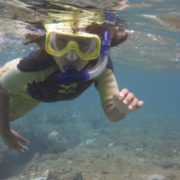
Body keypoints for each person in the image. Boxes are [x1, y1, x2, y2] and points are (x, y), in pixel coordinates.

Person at [0, 7, 144, 152]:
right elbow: (2, 89)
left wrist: (121, 109)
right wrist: (6, 133)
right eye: (61, 42)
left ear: (99, 48)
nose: (71, 55)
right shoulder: (33, 67)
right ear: (49, 43)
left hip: (30, 97)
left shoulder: (100, 67)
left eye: (83, 44)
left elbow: (112, 114)